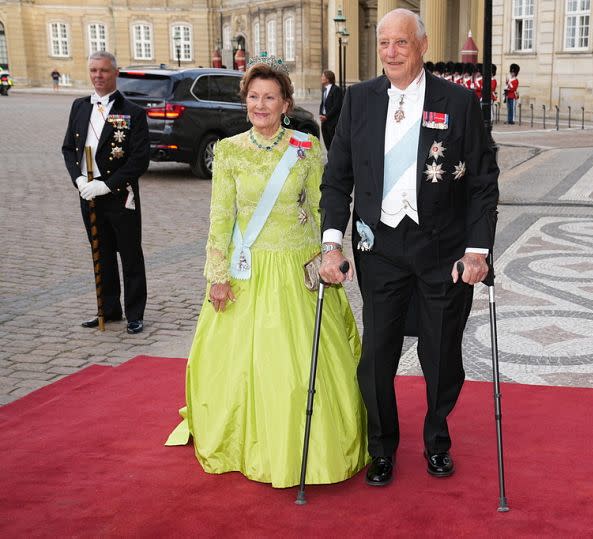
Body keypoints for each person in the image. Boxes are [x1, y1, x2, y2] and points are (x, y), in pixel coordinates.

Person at [165, 57, 368, 487]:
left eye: (269, 97)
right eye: (253, 97)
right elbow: (220, 218)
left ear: (286, 103)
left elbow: (321, 206)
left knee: (300, 369)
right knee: (243, 364)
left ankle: (305, 445)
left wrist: (330, 253)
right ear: (246, 102)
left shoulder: (306, 148)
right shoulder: (229, 151)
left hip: (297, 268)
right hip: (247, 271)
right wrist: (216, 275)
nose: (260, 105)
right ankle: (248, 440)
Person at [319, 8, 499, 486]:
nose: (391, 52)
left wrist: (478, 249)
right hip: (379, 249)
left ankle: (437, 438)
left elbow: (482, 181)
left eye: (401, 43)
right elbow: (336, 180)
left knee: (441, 356)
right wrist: (331, 244)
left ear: (421, 46)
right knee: (376, 355)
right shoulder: (358, 101)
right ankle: (382, 448)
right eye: (384, 44)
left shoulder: (458, 103)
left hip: (442, 249)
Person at [61, 51, 149, 334]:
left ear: (115, 72)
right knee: (102, 253)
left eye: (104, 71)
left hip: (119, 194)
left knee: (130, 255)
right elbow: (68, 149)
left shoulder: (133, 112)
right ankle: (109, 309)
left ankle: (135, 313)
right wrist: (78, 179)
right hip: (88, 192)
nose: (98, 76)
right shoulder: (79, 106)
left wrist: (108, 184)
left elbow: (139, 159)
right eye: (93, 70)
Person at [319, 69, 343, 151]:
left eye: (323, 76)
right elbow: (323, 103)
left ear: (328, 79)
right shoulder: (324, 90)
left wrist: (327, 116)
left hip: (332, 122)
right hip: (324, 121)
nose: (321, 78)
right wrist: (321, 114)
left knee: (333, 142)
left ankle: (334, 160)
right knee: (327, 142)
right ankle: (330, 159)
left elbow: (337, 106)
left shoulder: (336, 90)